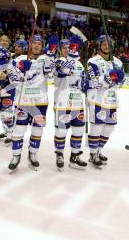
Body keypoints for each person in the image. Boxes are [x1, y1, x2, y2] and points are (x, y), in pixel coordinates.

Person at [7, 34, 53, 172]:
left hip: (40, 102)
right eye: (34, 43)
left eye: (39, 43)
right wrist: (21, 71)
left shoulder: (46, 59)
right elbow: (13, 80)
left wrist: (51, 54)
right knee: (18, 130)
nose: (37, 45)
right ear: (30, 45)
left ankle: (33, 154)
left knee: (37, 130)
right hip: (23, 102)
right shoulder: (19, 59)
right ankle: (16, 156)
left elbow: (50, 73)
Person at [86, 35, 125, 168]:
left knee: (109, 128)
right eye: (103, 44)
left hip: (113, 100)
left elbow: (122, 83)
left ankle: (99, 150)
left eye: (108, 44)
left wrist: (119, 80)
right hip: (97, 99)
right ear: (99, 45)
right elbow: (93, 82)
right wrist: (109, 78)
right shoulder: (93, 61)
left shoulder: (118, 62)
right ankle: (92, 153)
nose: (106, 46)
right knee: (97, 127)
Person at [52, 36, 88, 170]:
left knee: (78, 131)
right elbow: (63, 72)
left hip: (78, 104)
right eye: (65, 47)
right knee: (61, 131)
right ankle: (59, 154)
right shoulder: (58, 61)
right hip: (63, 102)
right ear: (60, 50)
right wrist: (73, 58)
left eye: (70, 47)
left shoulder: (79, 64)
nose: (68, 49)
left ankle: (74, 156)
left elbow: (82, 83)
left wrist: (87, 85)